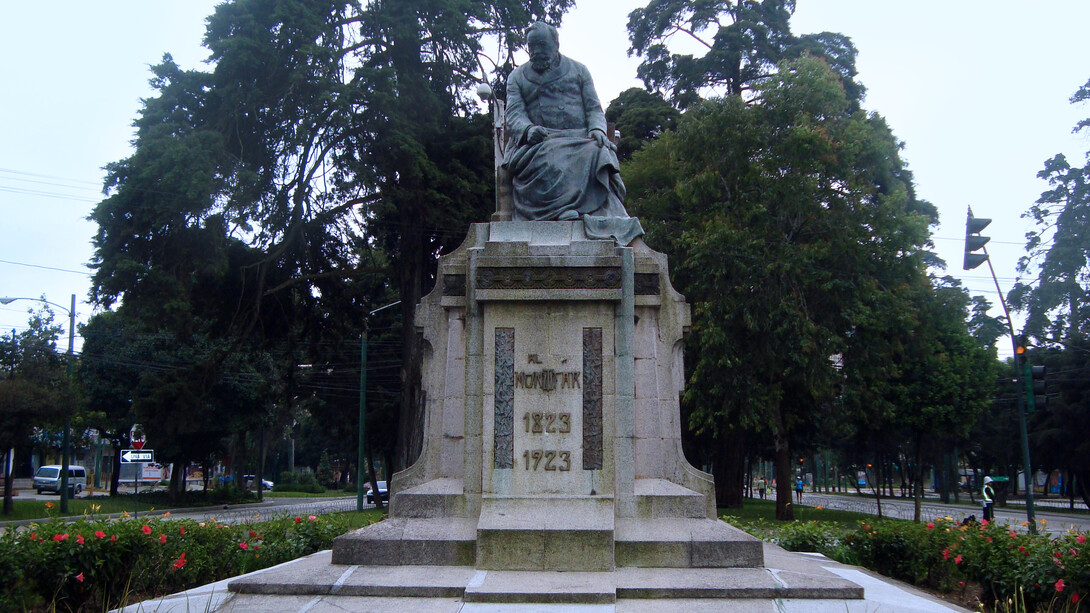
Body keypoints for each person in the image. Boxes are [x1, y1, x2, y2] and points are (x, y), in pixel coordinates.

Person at [502, 22, 628, 221]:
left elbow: (594, 108)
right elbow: (514, 113)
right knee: (552, 157)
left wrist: (597, 129)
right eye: (532, 46)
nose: (536, 51)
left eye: (542, 45)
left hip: (580, 137)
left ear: (556, 45)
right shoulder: (517, 77)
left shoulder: (579, 70)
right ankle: (560, 210)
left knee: (599, 151)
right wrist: (527, 130)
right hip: (541, 140)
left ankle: (600, 210)